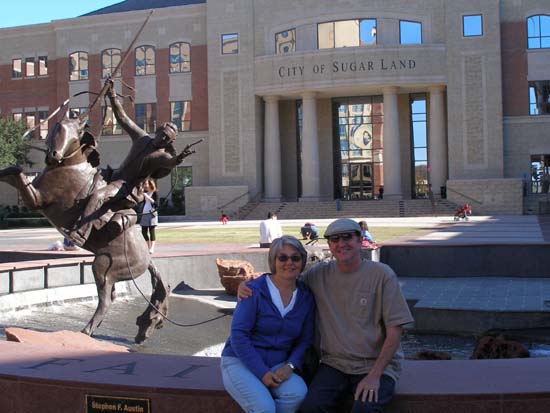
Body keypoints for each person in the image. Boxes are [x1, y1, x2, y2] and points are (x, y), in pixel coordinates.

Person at [239, 218, 413, 412]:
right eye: (334, 239)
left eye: (347, 237)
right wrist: (248, 285)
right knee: (311, 408)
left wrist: (375, 375)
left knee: (365, 410)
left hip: (374, 365)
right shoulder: (318, 275)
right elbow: (285, 277)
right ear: (329, 244)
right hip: (335, 365)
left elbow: (395, 331)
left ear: (360, 239)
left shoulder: (382, 275)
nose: (341, 243)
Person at [69, 78, 195, 246]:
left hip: (127, 188)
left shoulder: (161, 156)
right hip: (114, 176)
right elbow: (122, 117)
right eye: (162, 134)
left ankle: (81, 232)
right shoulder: (141, 138)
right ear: (157, 131)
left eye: (166, 138)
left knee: (98, 195)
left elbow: (170, 162)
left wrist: (178, 159)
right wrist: (112, 94)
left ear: (168, 142)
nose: (162, 138)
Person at [221, 235, 315, 413]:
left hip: (278, 364)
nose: (290, 262)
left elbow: (305, 339)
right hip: (239, 361)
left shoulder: (306, 296)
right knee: (264, 408)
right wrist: (262, 372)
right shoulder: (253, 291)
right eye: (283, 257)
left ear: (302, 261)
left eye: (295, 257)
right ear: (273, 261)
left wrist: (291, 365)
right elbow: (238, 336)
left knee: (297, 393)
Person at [139, 179, 158, 254]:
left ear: (150, 184)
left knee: (151, 231)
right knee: (143, 232)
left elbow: (156, 204)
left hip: (152, 214)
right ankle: (148, 247)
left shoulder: (155, 193)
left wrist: (147, 196)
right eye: (144, 184)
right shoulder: (145, 193)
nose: (145, 185)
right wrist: (141, 193)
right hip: (144, 214)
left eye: (146, 184)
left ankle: (152, 248)